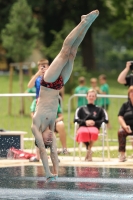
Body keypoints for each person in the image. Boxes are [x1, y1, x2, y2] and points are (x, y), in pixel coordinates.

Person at [28, 10, 99, 182]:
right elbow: (52, 150)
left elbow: (44, 152)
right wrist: (56, 172)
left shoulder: (36, 126)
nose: (50, 138)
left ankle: (83, 21)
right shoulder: (51, 126)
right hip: (59, 85)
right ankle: (88, 25)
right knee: (73, 53)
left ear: (40, 140)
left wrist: (46, 172)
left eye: (47, 140)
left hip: (48, 82)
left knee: (65, 51)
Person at [74, 89, 106, 161]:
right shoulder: (81, 109)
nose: (91, 97)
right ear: (87, 97)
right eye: (90, 96)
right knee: (82, 132)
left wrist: (95, 122)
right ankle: (89, 150)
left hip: (94, 127)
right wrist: (85, 122)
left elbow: (104, 120)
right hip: (83, 126)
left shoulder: (100, 109)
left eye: (93, 96)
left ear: (95, 97)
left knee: (93, 133)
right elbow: (76, 119)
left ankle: (88, 151)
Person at [118, 86, 133, 162]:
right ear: (128, 94)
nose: (132, 94)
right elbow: (120, 117)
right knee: (121, 132)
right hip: (127, 127)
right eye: (131, 92)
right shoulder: (125, 105)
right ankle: (122, 155)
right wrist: (124, 126)